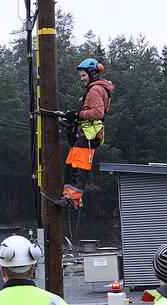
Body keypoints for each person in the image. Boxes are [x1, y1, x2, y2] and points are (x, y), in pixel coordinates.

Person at [59, 58, 114, 210]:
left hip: (90, 135)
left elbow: (97, 112)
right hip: (86, 133)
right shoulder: (96, 89)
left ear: (92, 74)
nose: (81, 79)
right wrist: (73, 119)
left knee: (78, 167)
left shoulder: (96, 90)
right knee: (71, 163)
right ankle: (69, 197)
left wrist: (77, 115)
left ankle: (73, 199)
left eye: (83, 75)